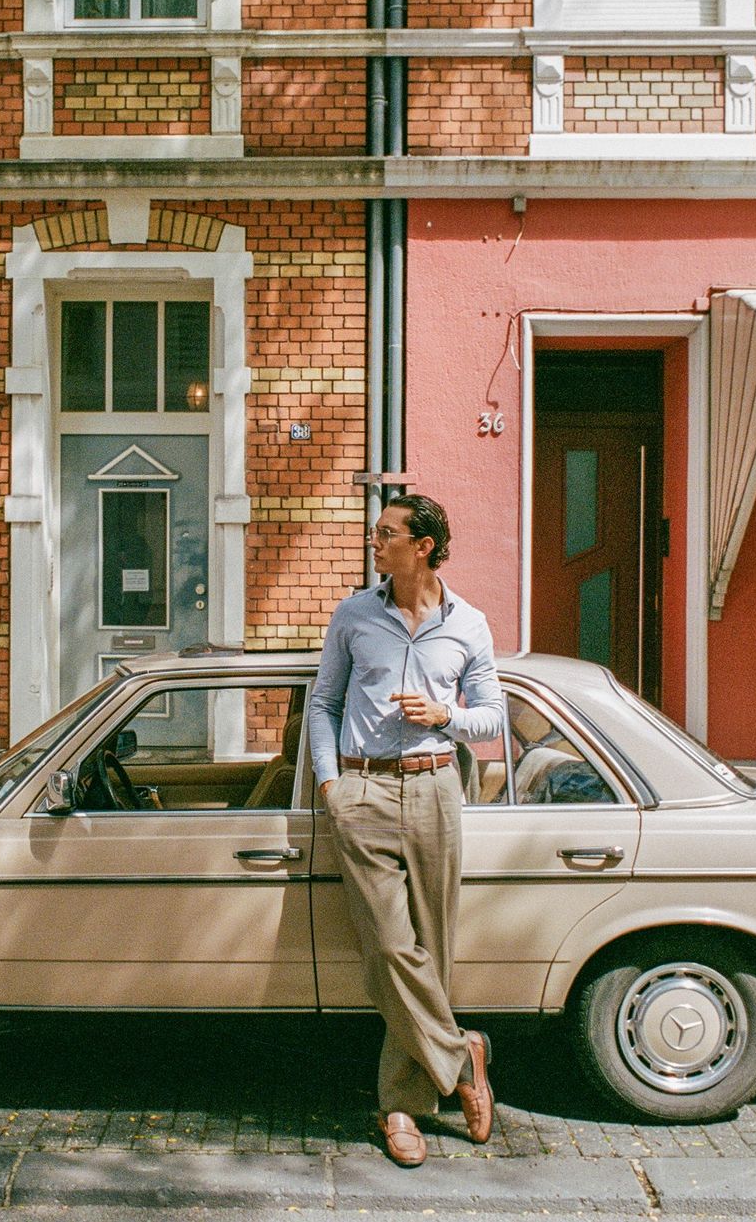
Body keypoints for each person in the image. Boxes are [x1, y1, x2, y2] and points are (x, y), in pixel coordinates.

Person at [306, 493, 503, 1167]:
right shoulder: (355, 614)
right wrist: (333, 784)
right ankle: (462, 1057)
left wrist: (445, 713)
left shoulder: (468, 624)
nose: (373, 540)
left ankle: (403, 1105)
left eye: (385, 532)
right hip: (362, 789)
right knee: (391, 949)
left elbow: (495, 719)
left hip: (436, 786)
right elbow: (322, 702)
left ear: (421, 546)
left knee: (432, 951)